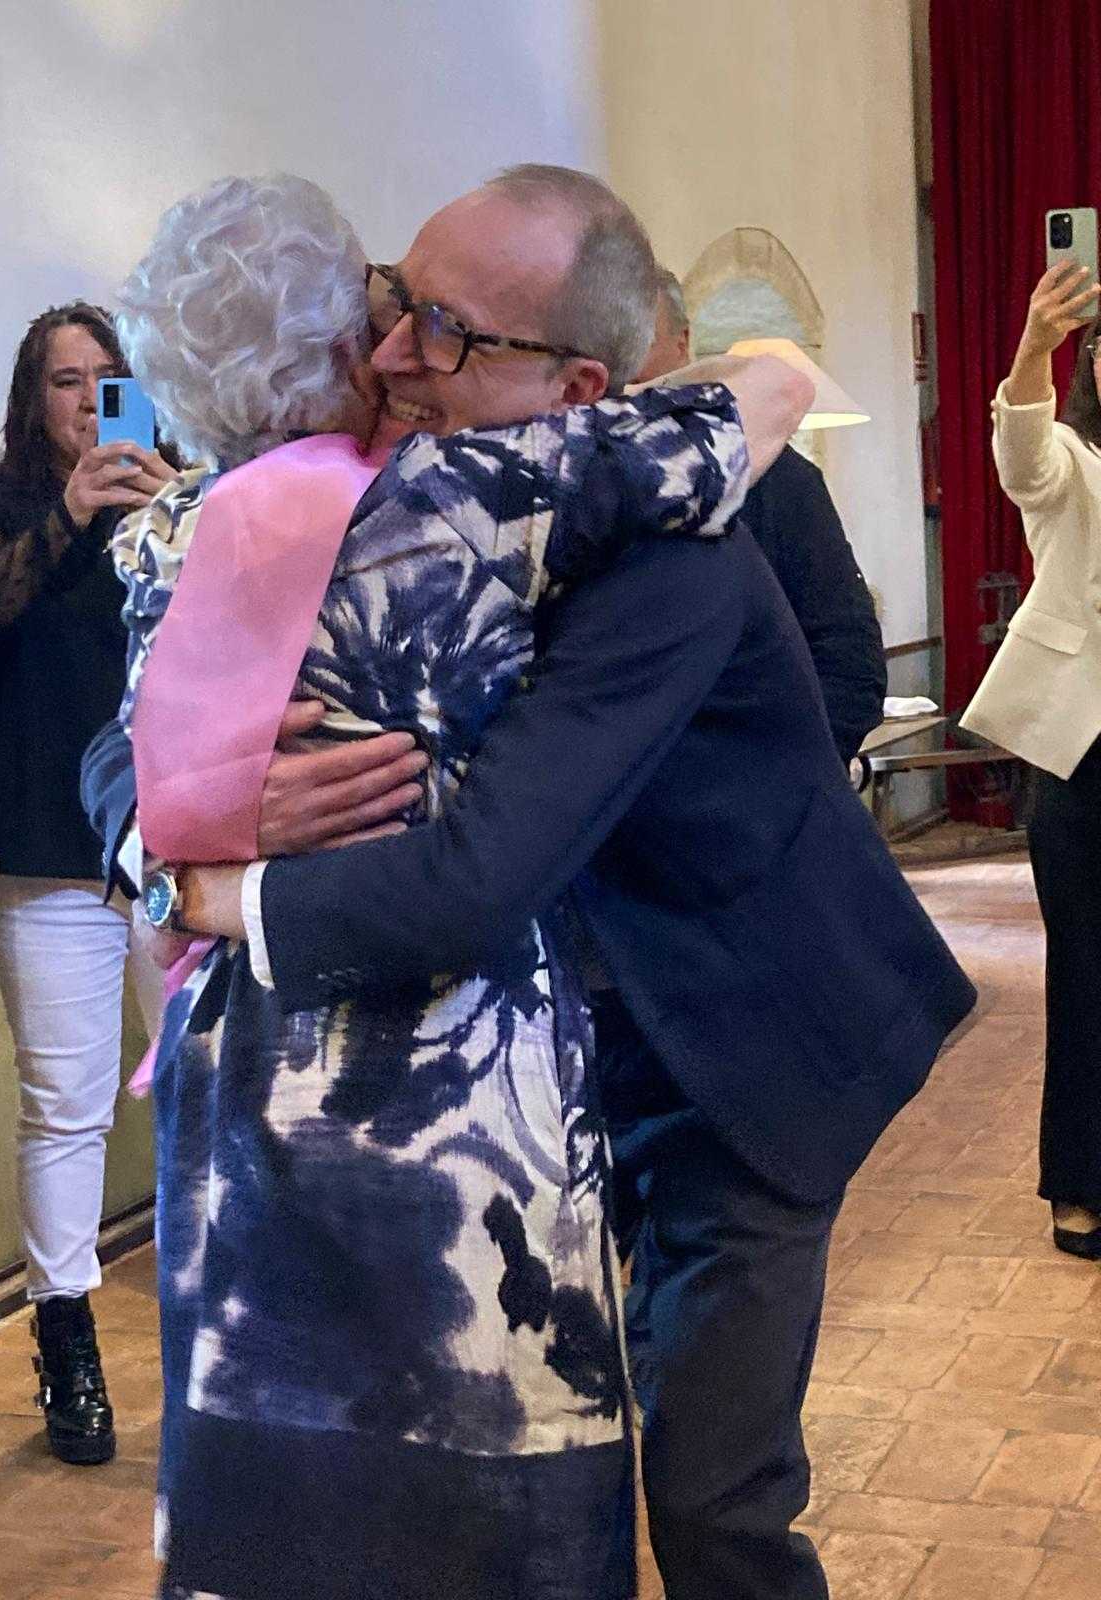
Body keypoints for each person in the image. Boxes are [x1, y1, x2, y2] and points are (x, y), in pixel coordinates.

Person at [163, 168, 977, 1600]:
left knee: (713, 1498)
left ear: (578, 386)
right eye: (396, 301)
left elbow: (478, 873)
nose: (393, 353)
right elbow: (143, 699)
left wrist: (218, 897)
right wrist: (172, 817)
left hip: (739, 1046)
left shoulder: (672, 555)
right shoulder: (398, 494)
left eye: (448, 331)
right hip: (568, 1056)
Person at [0, 303, 175, 1464]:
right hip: (42, 847)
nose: (88, 400)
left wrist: (181, 513)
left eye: (107, 378)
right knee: (68, 1106)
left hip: (172, 843)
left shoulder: (167, 498)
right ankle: (66, 1343)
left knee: (205, 1083)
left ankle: (228, 1315)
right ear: (33, 398)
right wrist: (73, 512)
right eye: (66, 380)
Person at [962, 260, 1101, 1260]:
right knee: (1086, 970)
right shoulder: (1071, 466)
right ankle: (1082, 1182)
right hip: (1085, 754)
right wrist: (1031, 350)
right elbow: (1021, 456)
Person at [635, 267, 886, 764]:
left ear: (682, 344)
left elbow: (848, 660)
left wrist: (781, 781)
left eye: (634, 334)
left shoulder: (777, 479)